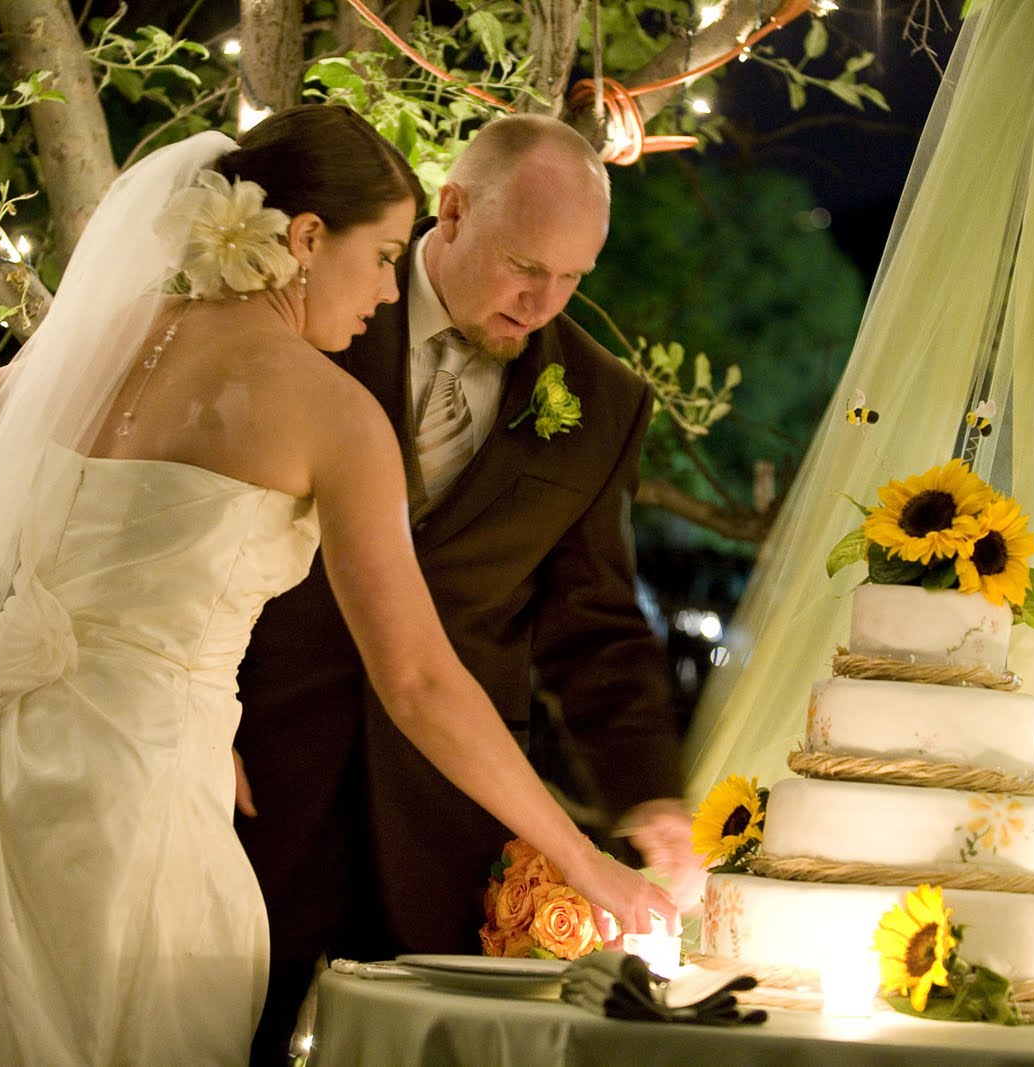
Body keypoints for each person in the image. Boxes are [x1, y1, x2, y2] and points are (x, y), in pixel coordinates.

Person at [0, 105, 676, 1066]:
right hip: (138, 803)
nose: (391, 291)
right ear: (305, 239)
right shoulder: (338, 414)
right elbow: (420, 682)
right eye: (385, 254)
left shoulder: (104, 341)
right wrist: (582, 857)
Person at [233, 113, 701, 1063]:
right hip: (258, 778)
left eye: (574, 278)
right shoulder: (311, 308)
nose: (544, 302)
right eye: (527, 265)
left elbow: (596, 624)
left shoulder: (602, 400)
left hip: (444, 822)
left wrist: (649, 794)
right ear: (451, 211)